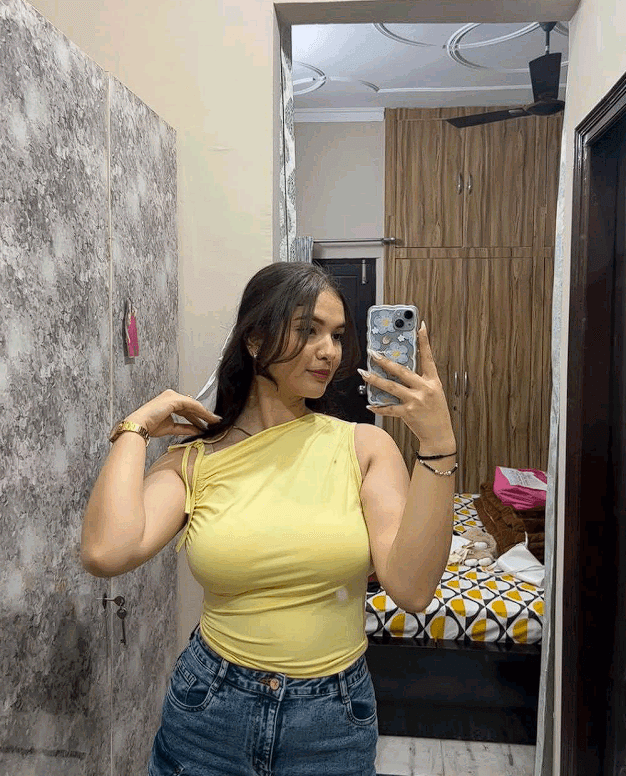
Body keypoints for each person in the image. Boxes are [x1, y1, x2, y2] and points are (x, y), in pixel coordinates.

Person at [81, 261, 457, 776]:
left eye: (337, 335)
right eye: (308, 330)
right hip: (210, 709)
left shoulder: (365, 447)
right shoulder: (195, 460)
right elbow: (106, 552)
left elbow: (412, 590)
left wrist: (437, 441)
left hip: (331, 719)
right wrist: (136, 427)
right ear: (255, 340)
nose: (329, 350)